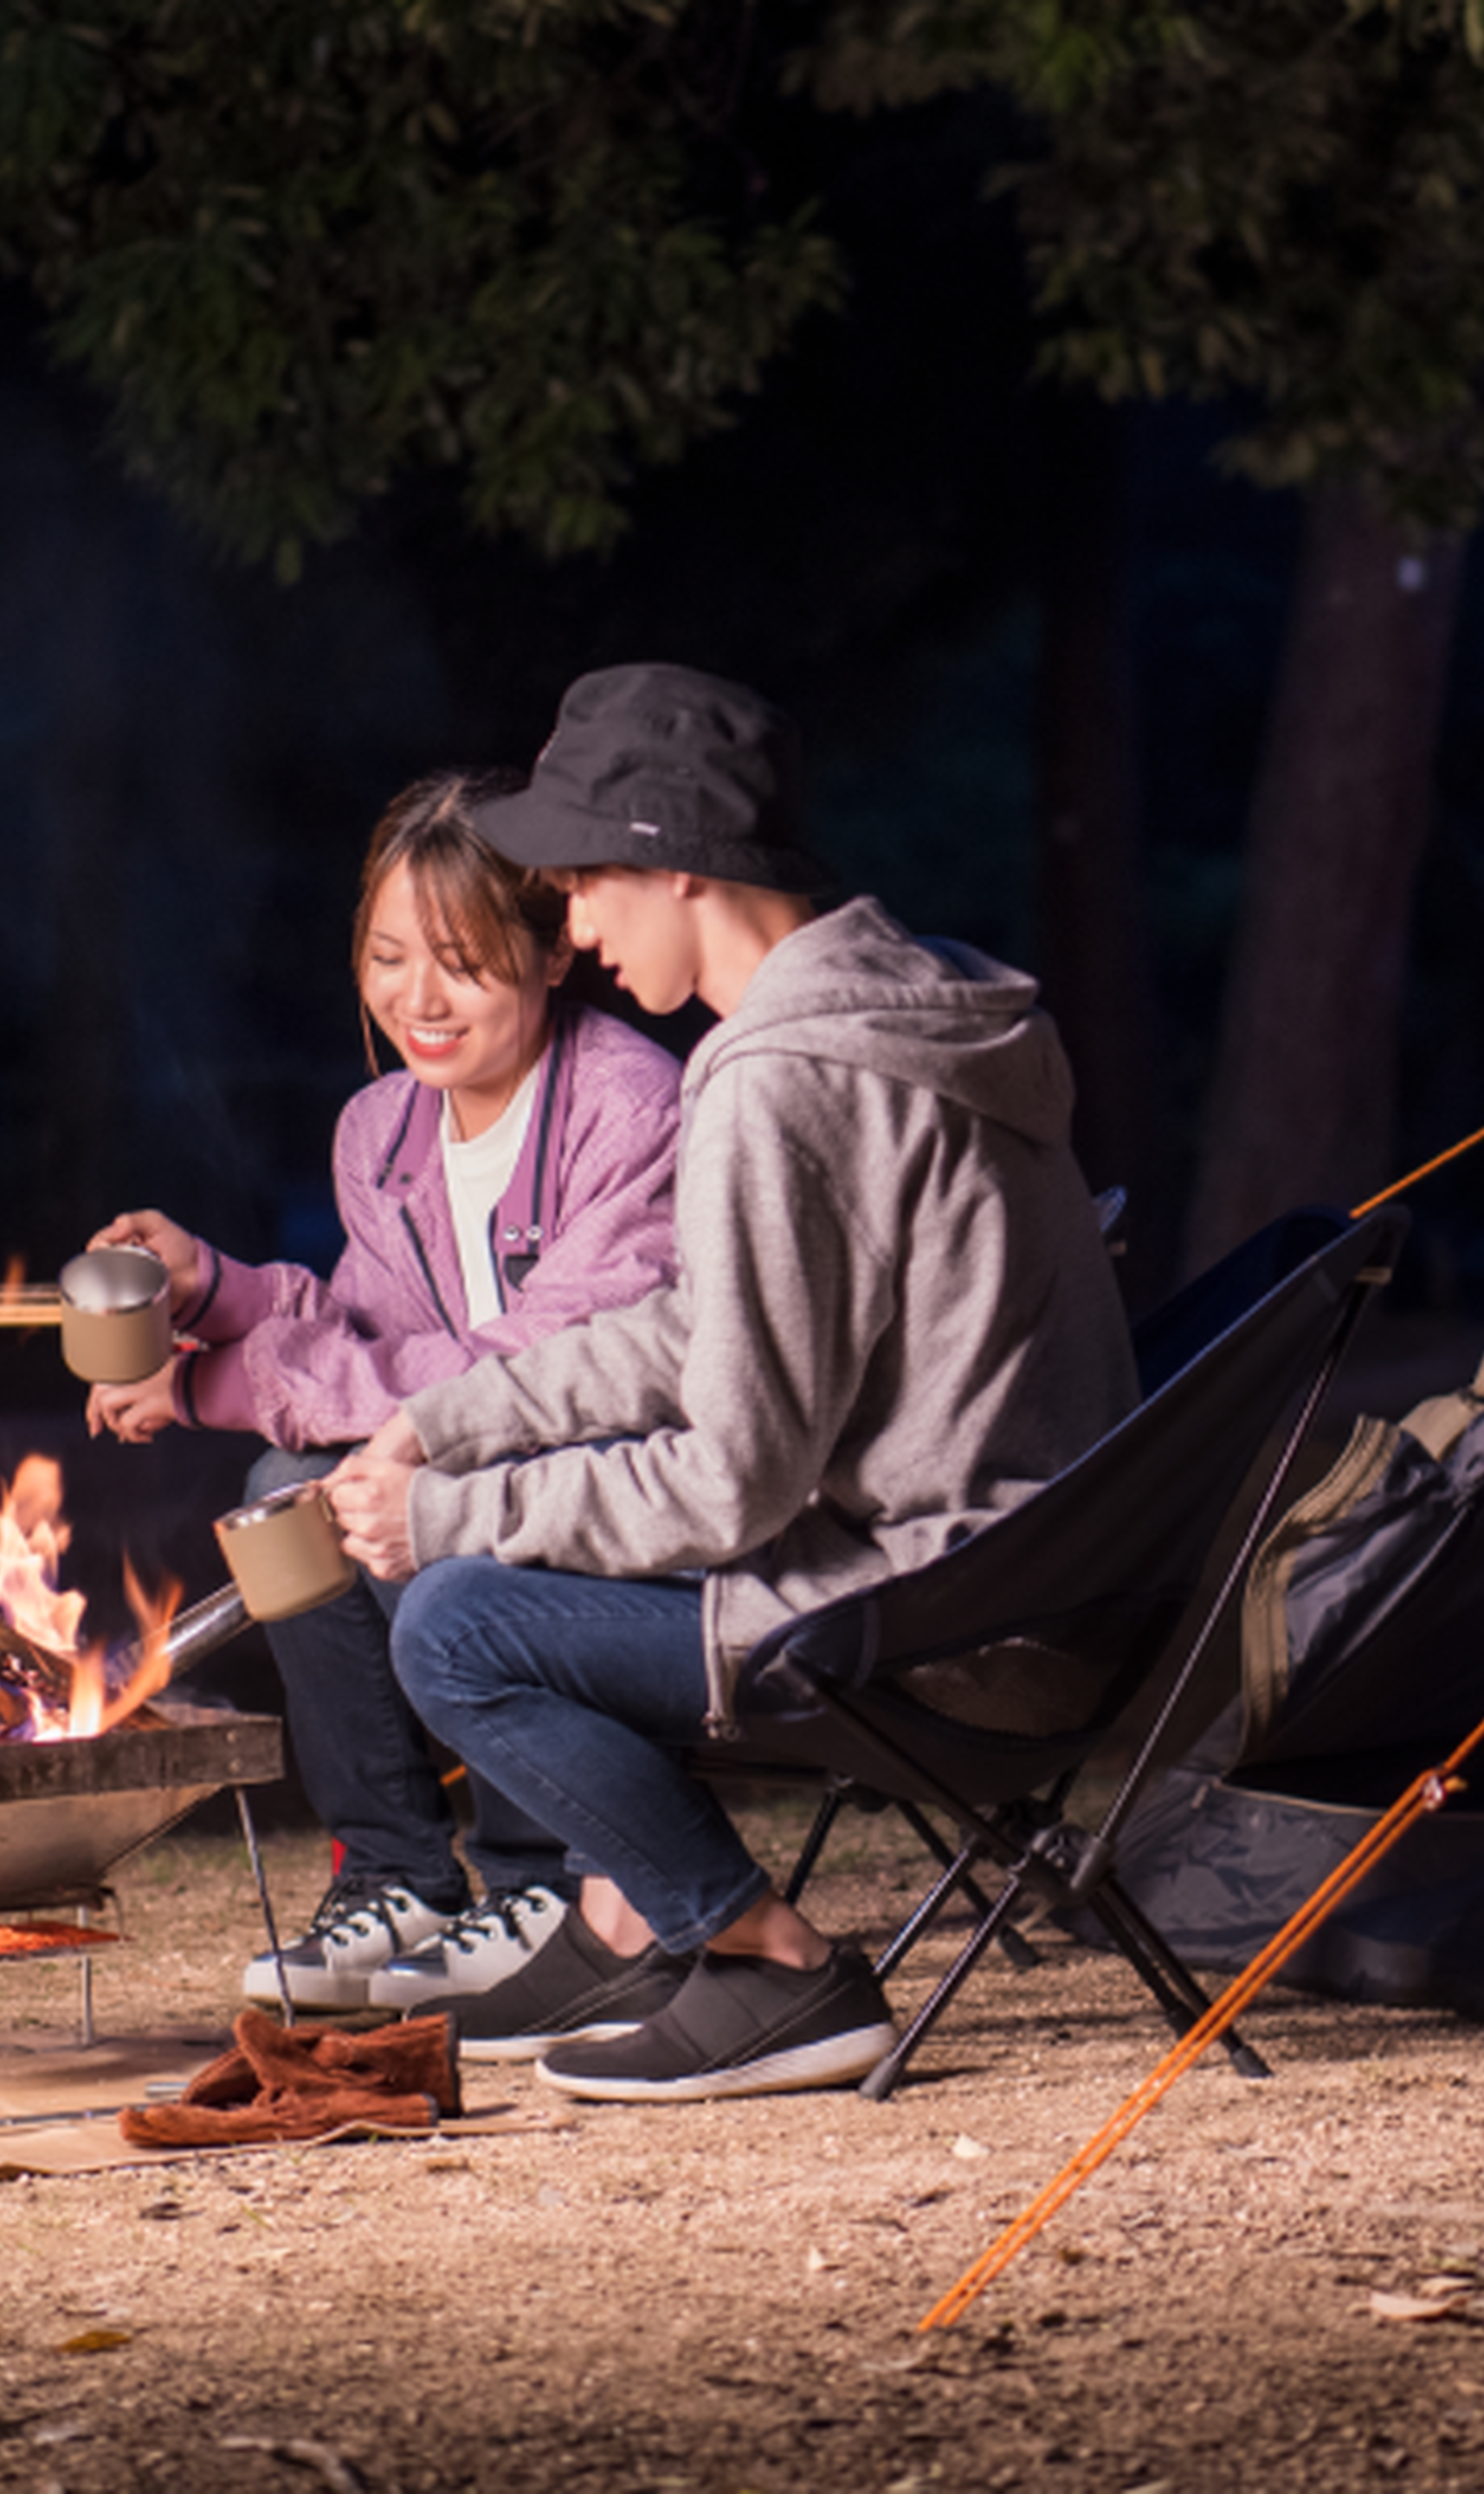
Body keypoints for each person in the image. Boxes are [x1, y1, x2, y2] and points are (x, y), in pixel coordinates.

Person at [323, 661, 1139, 2099]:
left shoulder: (776, 1079)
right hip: (1043, 1577)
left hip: (949, 1623)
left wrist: (446, 1518)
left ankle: (768, 1966)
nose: (568, 926)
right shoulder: (913, 1001)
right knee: (485, 1539)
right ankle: (624, 1912)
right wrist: (438, 1424)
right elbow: (697, 1325)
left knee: (451, 1622)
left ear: (674, 867)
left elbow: (732, 1481)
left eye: (578, 885)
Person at [86, 769, 681, 2014]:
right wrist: (212, 1295)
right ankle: (398, 1873)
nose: (420, 1000)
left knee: (449, 1466)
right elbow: (375, 1340)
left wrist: (211, 1391)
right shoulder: (383, 1132)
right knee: (286, 1490)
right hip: (483, 1458)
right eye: (389, 955)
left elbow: (513, 1378)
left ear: (551, 948)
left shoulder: (630, 1106)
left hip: (620, 1490)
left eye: (462, 962)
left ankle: (541, 1874)